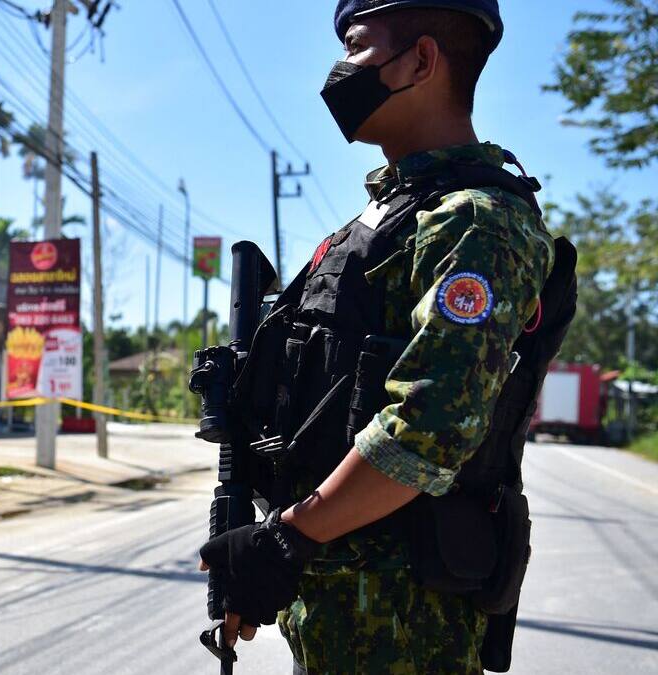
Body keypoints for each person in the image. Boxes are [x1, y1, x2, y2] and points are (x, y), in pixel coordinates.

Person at [198, 1, 572, 673]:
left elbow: (427, 427)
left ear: (422, 61)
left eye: (357, 46)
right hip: (335, 604)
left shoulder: (475, 223)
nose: (340, 71)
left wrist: (284, 539)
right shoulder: (375, 225)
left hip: (402, 623)